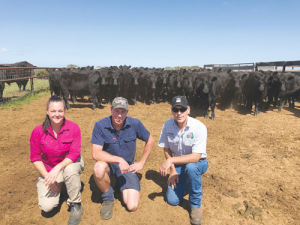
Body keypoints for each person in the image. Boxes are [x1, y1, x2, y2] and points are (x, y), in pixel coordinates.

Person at [91, 97, 154, 220]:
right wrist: (119, 160)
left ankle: (120, 184)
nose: (119, 115)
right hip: (108, 164)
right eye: (116, 111)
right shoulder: (100, 125)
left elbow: (150, 140)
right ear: (111, 110)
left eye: (123, 111)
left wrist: (141, 162)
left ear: (127, 112)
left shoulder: (135, 124)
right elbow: (96, 154)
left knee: (132, 206)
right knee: (98, 168)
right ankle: (108, 198)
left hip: (127, 167)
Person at [30, 95, 85, 225]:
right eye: (53, 111)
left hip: (70, 163)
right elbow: (36, 158)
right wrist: (48, 177)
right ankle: (64, 186)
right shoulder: (37, 131)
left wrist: (57, 168)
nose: (57, 114)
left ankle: (76, 204)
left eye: (60, 111)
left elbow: (74, 153)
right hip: (48, 170)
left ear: (65, 110)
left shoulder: (74, 127)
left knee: (70, 170)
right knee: (47, 207)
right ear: (47, 111)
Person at [158, 96, 208, 225]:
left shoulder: (199, 127)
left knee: (191, 168)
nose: (179, 113)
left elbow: (196, 156)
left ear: (188, 110)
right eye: (176, 109)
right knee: (172, 200)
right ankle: (189, 182)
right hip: (179, 165)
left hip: (198, 163)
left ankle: (195, 206)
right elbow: (166, 149)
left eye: (182, 109)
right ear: (172, 110)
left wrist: (170, 161)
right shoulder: (167, 125)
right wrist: (173, 170)